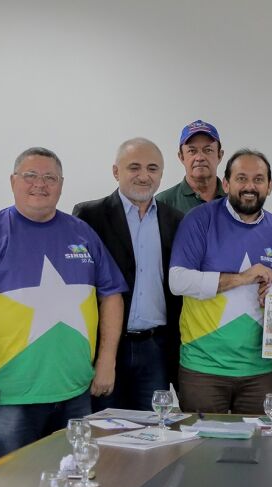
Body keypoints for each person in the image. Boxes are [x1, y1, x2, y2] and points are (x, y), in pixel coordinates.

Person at [0, 147, 126, 465]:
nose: (40, 184)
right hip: (6, 393)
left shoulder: (82, 233)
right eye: (30, 176)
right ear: (13, 181)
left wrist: (107, 359)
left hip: (75, 391)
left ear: (61, 184)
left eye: (49, 177)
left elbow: (111, 295)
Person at [169, 149, 272, 414]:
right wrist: (243, 278)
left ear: (270, 186)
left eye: (259, 179)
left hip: (261, 370)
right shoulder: (199, 220)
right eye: (241, 178)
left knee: (261, 452)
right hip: (203, 368)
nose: (250, 186)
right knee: (201, 452)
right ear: (225, 184)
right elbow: (177, 281)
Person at [74, 138, 184, 410]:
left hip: (156, 348)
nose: (144, 176)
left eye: (153, 168)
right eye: (134, 167)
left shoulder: (175, 219)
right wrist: (102, 356)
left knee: (150, 439)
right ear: (116, 171)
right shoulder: (90, 215)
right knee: (104, 436)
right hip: (106, 347)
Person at [155, 119, 226, 214]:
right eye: (192, 151)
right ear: (181, 157)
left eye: (208, 150)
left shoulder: (236, 200)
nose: (200, 157)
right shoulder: (162, 203)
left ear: (219, 155)